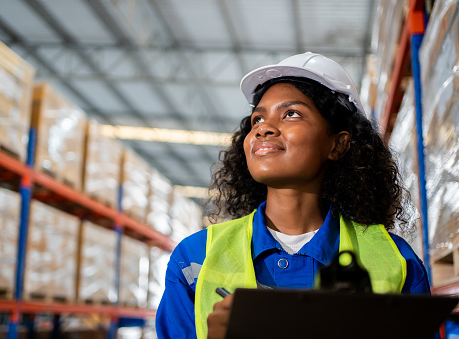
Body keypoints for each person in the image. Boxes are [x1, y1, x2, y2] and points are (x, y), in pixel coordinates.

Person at [155, 52, 437, 339]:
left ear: (337, 145)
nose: (263, 128)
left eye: (291, 113)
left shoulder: (396, 260)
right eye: (257, 119)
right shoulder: (194, 259)